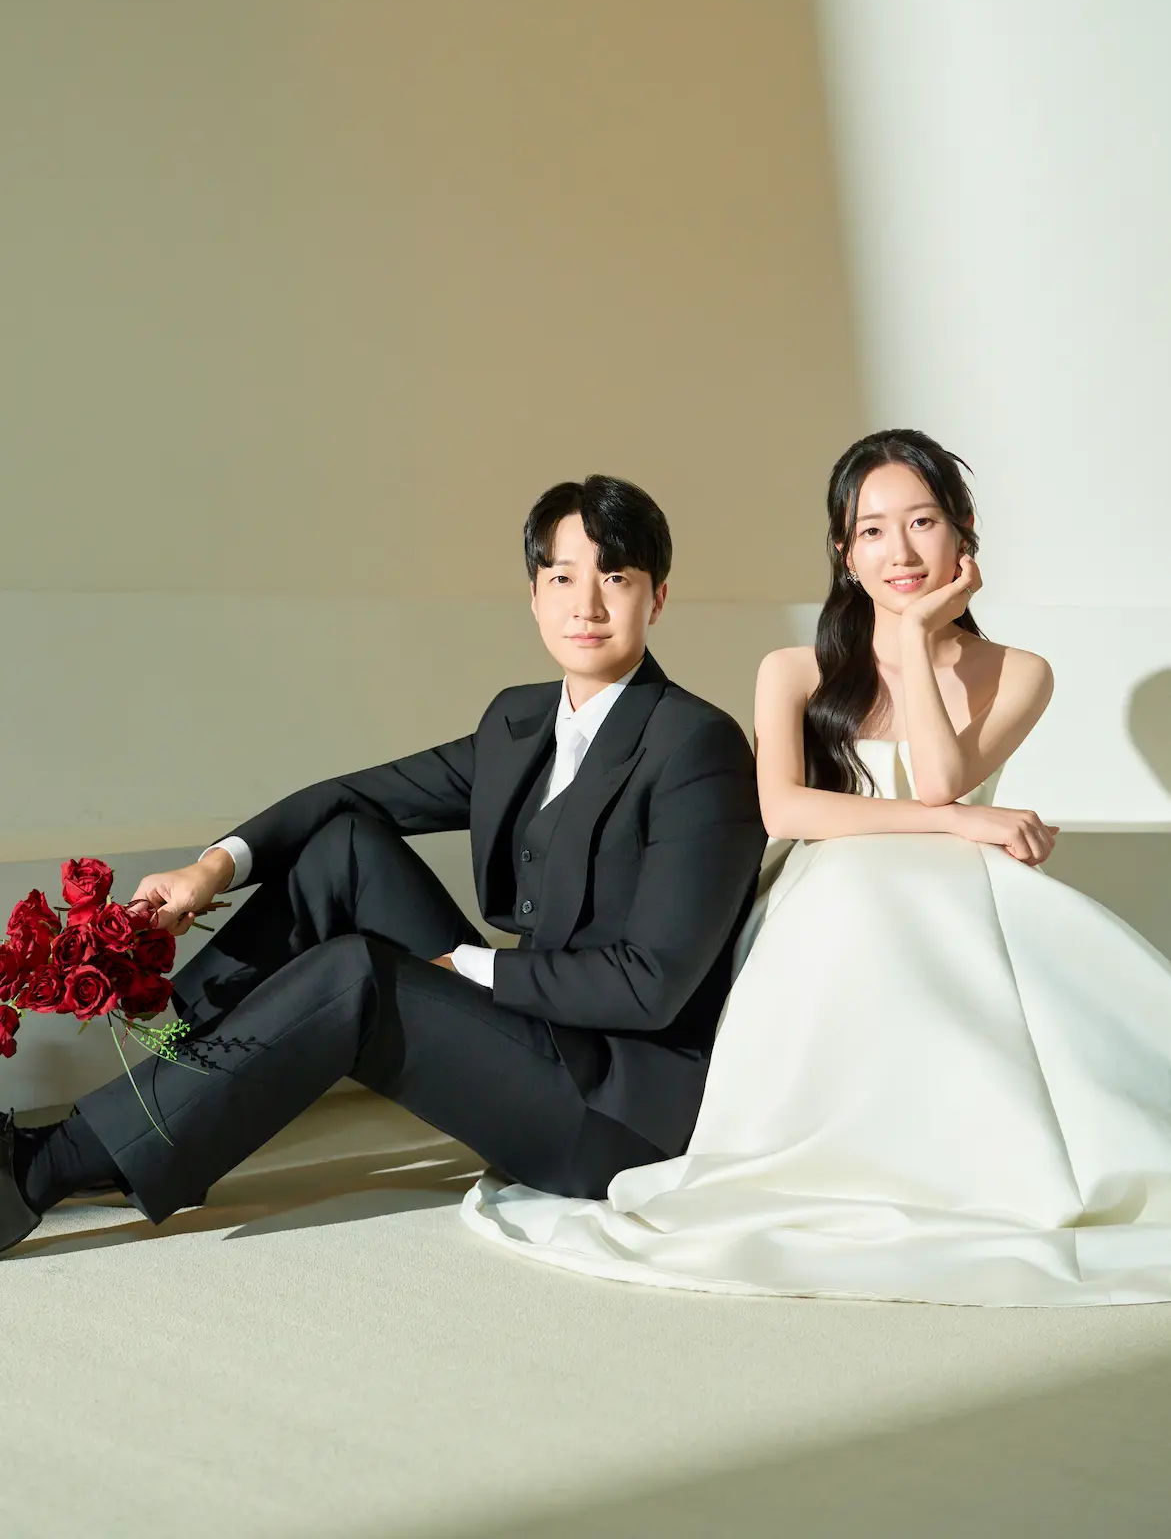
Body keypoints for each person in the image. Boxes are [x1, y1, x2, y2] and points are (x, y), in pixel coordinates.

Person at [463, 430, 1171, 1306]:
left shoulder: (1021, 671)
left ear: (964, 535)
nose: (898, 551)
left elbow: (941, 776)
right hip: (824, 904)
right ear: (843, 550)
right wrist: (959, 821)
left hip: (959, 908)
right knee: (854, 917)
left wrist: (917, 632)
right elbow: (786, 812)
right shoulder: (793, 670)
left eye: (922, 523)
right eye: (870, 531)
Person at [0, 476, 765, 1255]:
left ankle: (42, 1168)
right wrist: (213, 869)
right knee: (345, 848)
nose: (586, 606)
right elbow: (353, 796)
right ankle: (170, 1099)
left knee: (356, 973)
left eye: (615, 578)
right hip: (536, 1029)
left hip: (612, 1106)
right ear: (534, 597)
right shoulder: (520, 718)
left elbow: (648, 985)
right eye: (562, 578)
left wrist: (467, 967)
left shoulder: (695, 746)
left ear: (656, 598)